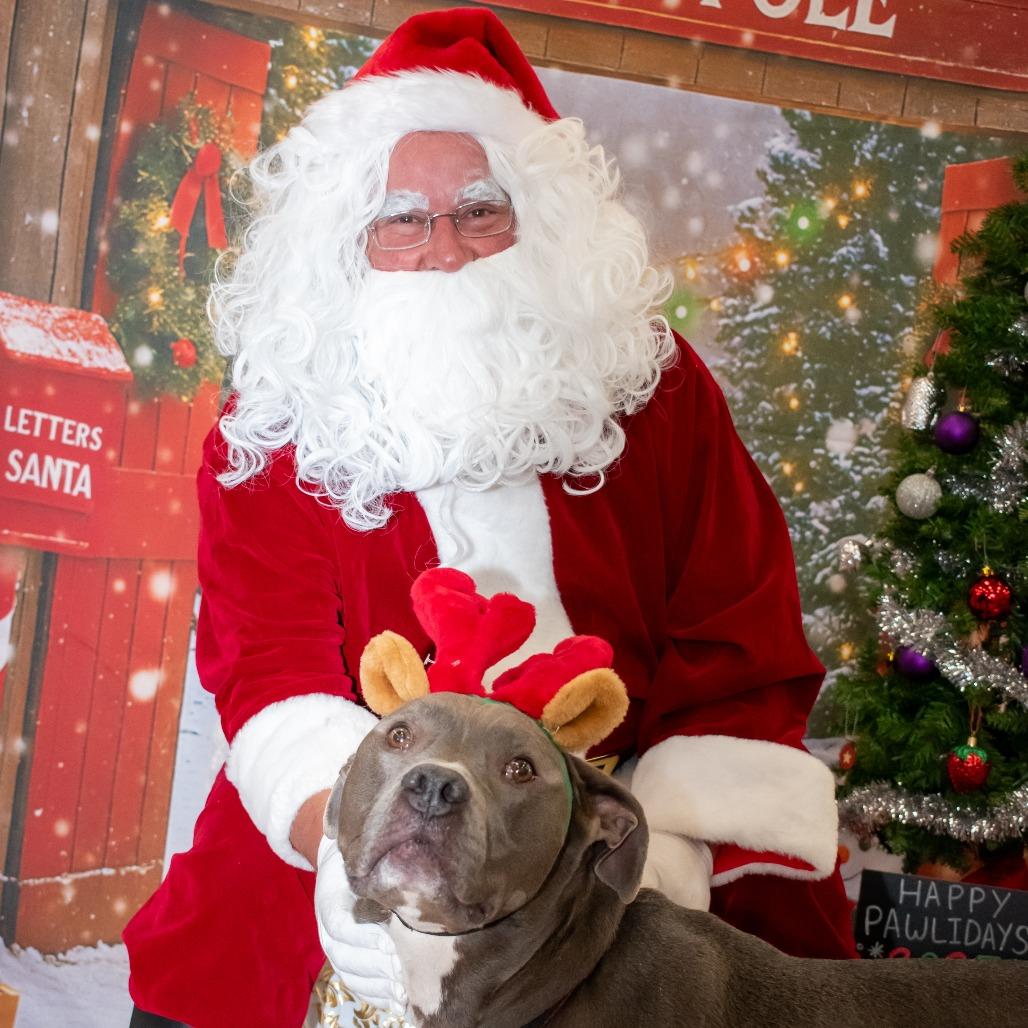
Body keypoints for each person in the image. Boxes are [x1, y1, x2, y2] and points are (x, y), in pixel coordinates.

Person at [124, 8, 856, 1027]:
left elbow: (738, 640)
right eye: (401, 218)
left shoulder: (654, 387)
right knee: (223, 969)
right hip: (345, 815)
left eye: (479, 211)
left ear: (539, 218)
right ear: (349, 237)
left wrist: (658, 855)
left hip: (616, 828)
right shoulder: (278, 415)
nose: (444, 252)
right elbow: (270, 667)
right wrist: (355, 865)